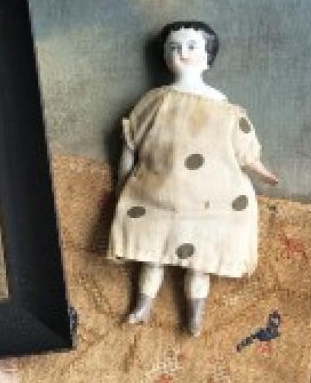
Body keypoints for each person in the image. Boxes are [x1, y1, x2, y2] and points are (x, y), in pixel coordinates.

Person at [108, 21, 279, 336]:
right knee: (152, 255)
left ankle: (195, 316)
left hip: (209, 200)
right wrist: (122, 181)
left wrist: (263, 171)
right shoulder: (154, 101)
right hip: (155, 194)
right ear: (164, 56)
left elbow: (245, 150)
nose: (181, 53)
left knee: (200, 261)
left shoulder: (227, 111)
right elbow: (131, 142)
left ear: (208, 55)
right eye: (173, 47)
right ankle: (142, 306)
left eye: (191, 46)